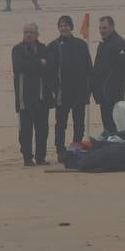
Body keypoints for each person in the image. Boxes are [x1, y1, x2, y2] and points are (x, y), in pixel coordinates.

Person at [12, 23, 56, 165]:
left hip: (42, 97)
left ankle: (40, 157)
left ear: (37, 34)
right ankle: (27, 158)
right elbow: (20, 66)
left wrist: (36, 64)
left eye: (31, 32)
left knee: (42, 130)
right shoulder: (17, 49)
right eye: (26, 32)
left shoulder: (44, 48)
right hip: (24, 97)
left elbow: (50, 65)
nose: (28, 35)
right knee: (25, 132)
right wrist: (39, 63)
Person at [50, 15, 93, 160]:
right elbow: (50, 71)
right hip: (62, 92)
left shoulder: (81, 44)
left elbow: (88, 68)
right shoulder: (54, 45)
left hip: (80, 91)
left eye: (66, 25)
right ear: (58, 28)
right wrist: (54, 90)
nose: (63, 28)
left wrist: (88, 90)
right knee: (61, 124)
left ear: (71, 27)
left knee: (79, 122)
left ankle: (76, 147)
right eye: (61, 25)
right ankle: (60, 150)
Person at [91, 15, 125, 135]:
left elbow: (121, 72)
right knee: (107, 126)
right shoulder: (103, 43)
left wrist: (112, 92)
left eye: (105, 28)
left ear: (112, 27)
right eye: (100, 28)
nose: (102, 31)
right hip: (102, 93)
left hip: (114, 95)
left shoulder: (120, 43)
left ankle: (116, 149)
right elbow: (97, 67)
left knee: (115, 127)